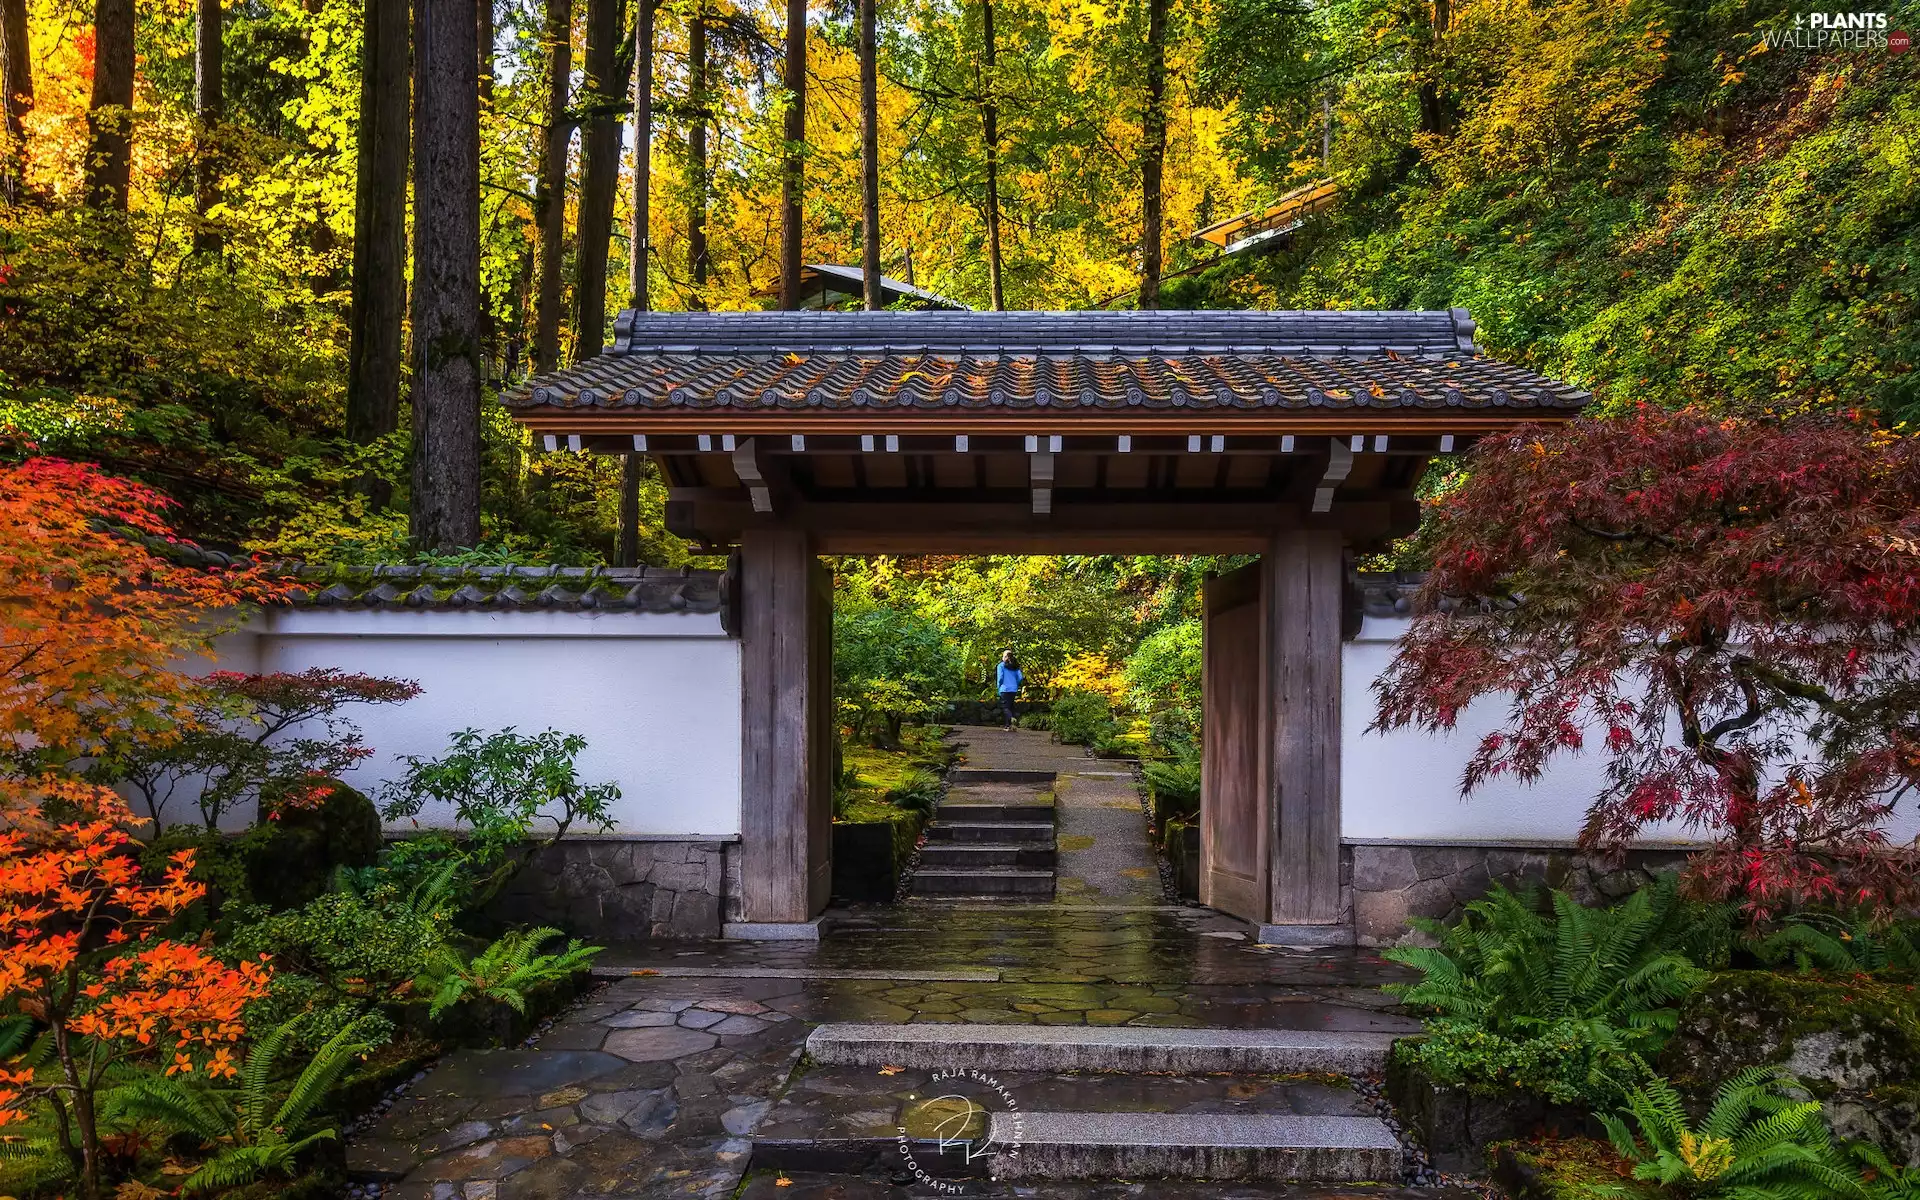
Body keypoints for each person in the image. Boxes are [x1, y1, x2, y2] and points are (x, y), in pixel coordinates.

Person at [995, 650, 1024, 731]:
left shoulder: (1001, 666)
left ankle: (1011, 720)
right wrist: (1016, 683)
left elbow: (1000, 678)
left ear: (1005, 657)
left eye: (1003, 656)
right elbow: (1021, 677)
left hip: (1004, 689)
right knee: (1010, 706)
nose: (1002, 658)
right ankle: (1008, 725)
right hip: (1014, 689)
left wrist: (998, 686)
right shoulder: (1015, 666)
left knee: (1005, 707)